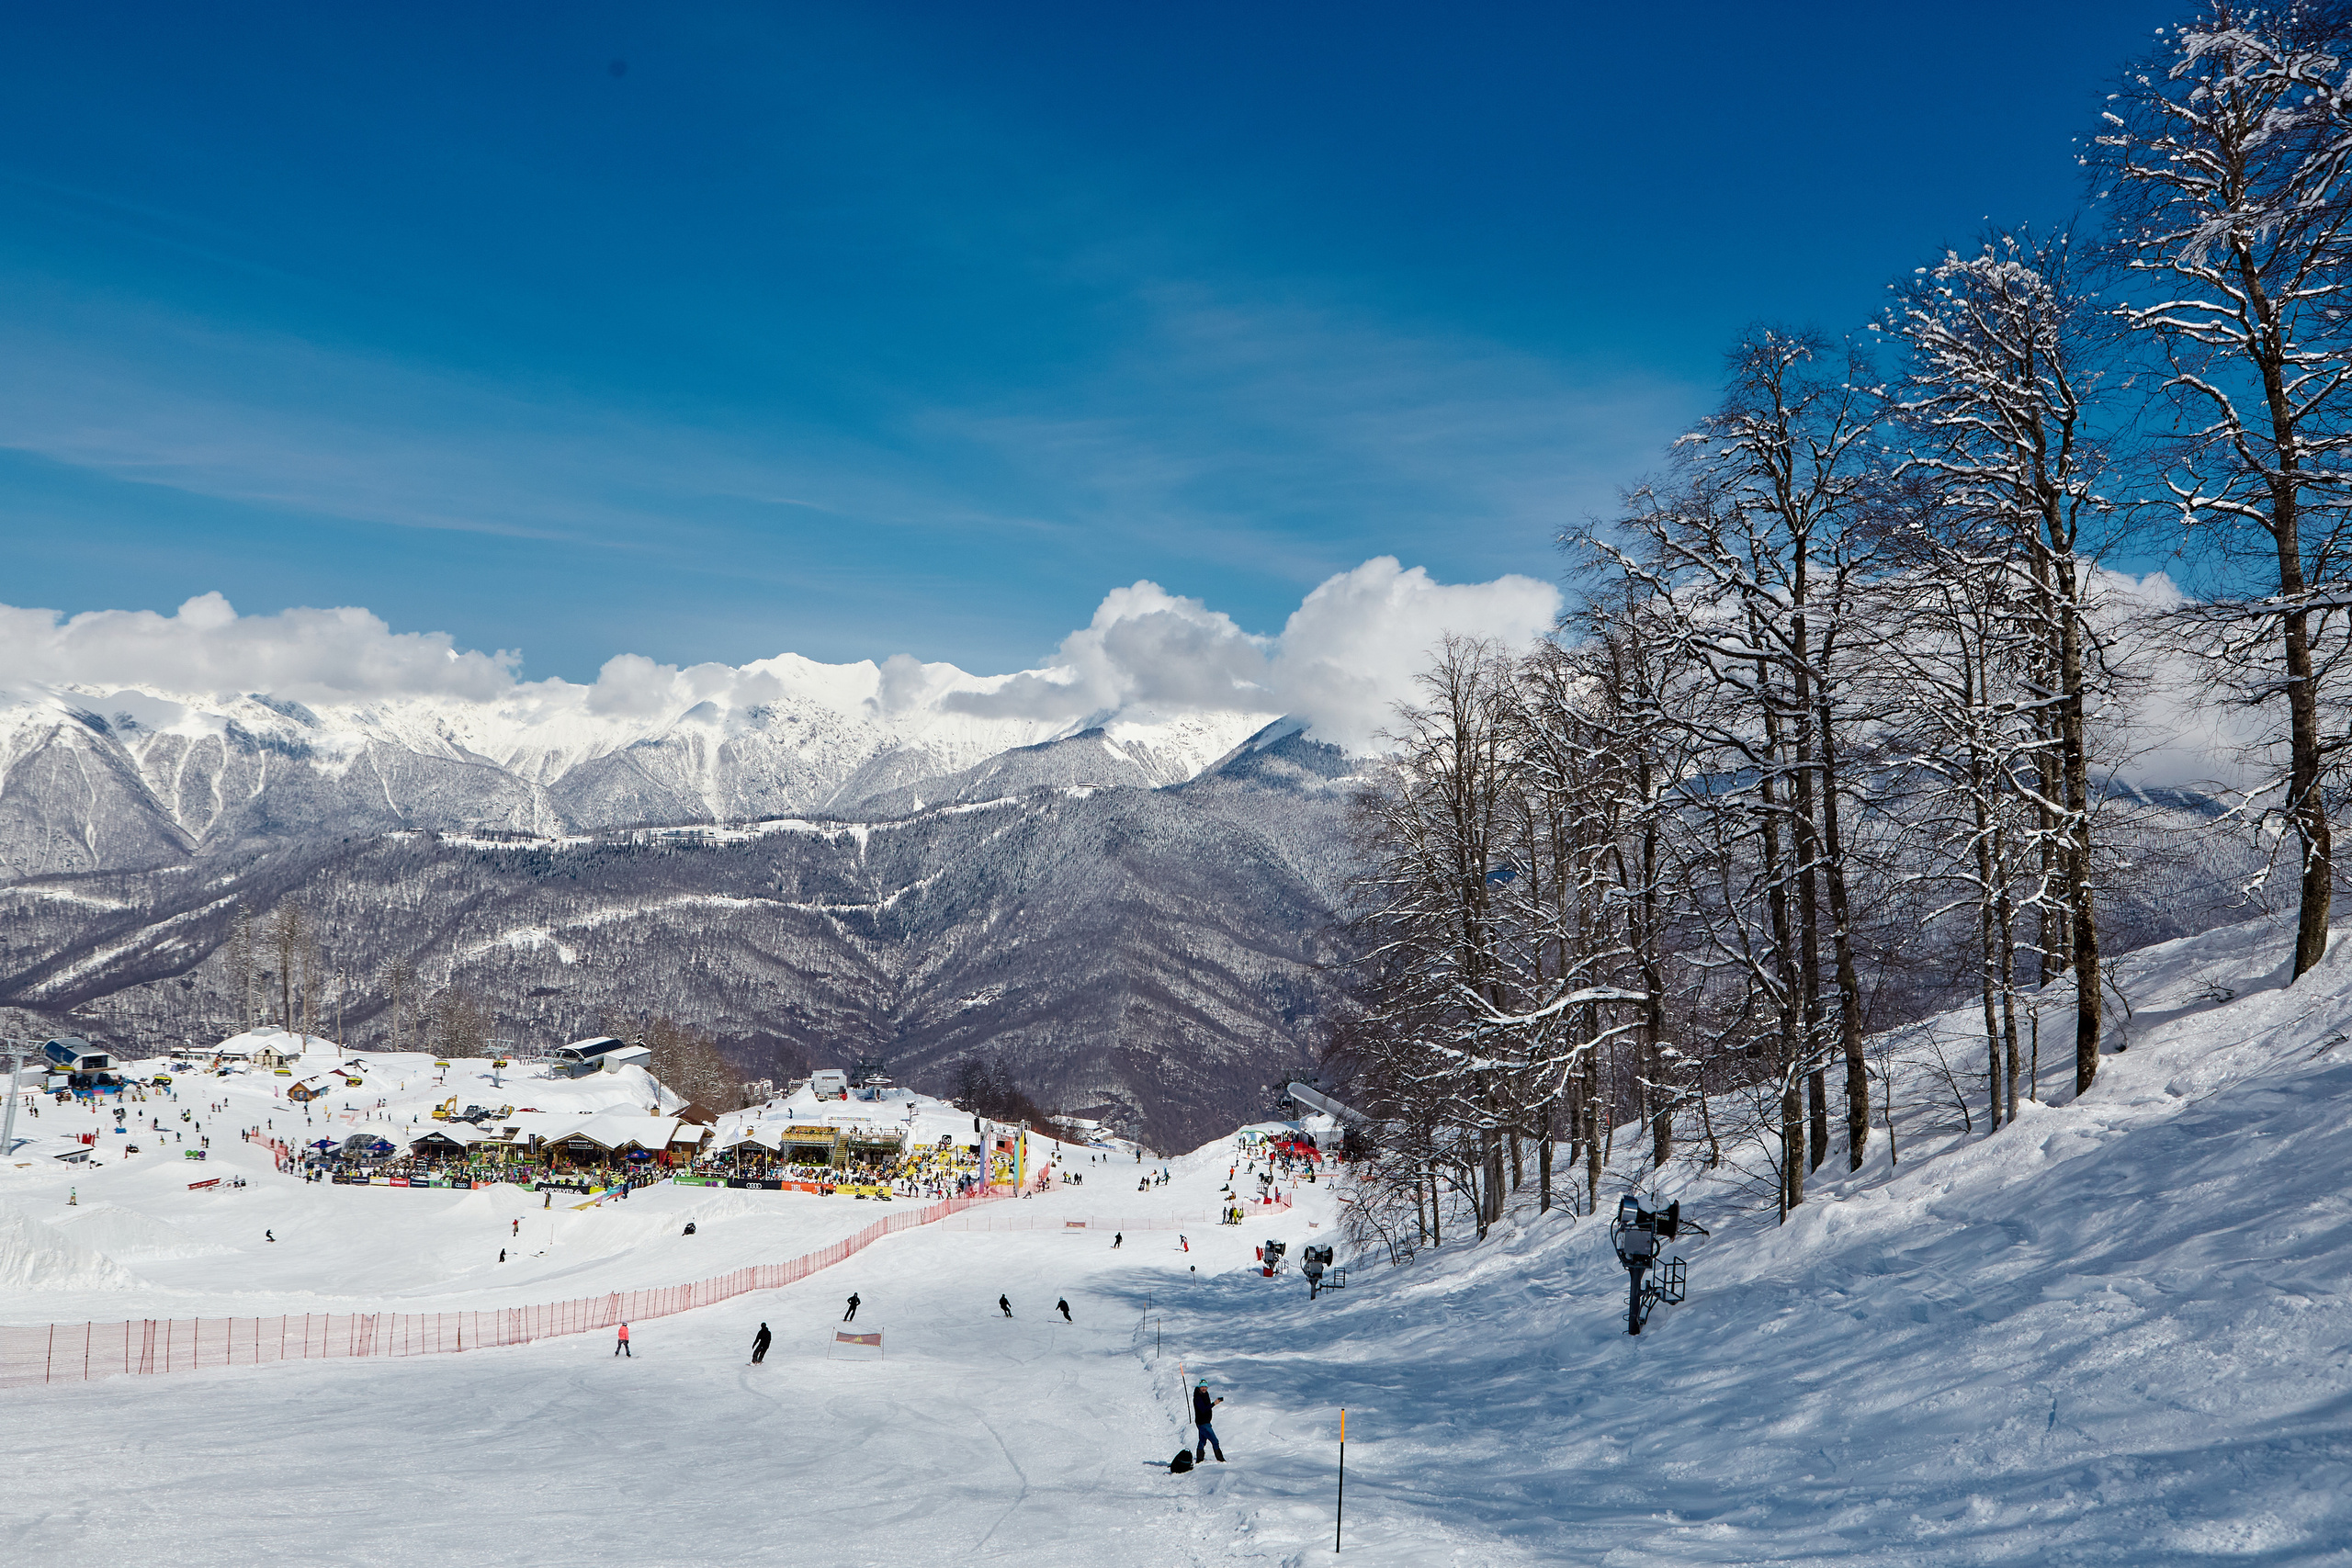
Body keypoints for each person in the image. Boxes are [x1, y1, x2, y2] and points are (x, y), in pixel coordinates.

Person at [1193, 1381, 1225, 1462]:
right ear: (1199, 1387)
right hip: (1203, 1423)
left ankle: (1199, 1459)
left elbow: (1206, 1407)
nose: (1204, 1388)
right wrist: (1214, 1403)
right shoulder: (1198, 1397)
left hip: (1204, 1422)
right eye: (1202, 1387)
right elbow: (1203, 1409)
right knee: (1215, 1441)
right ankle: (1221, 1460)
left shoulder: (1205, 1394)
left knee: (1202, 1440)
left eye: (1205, 1387)